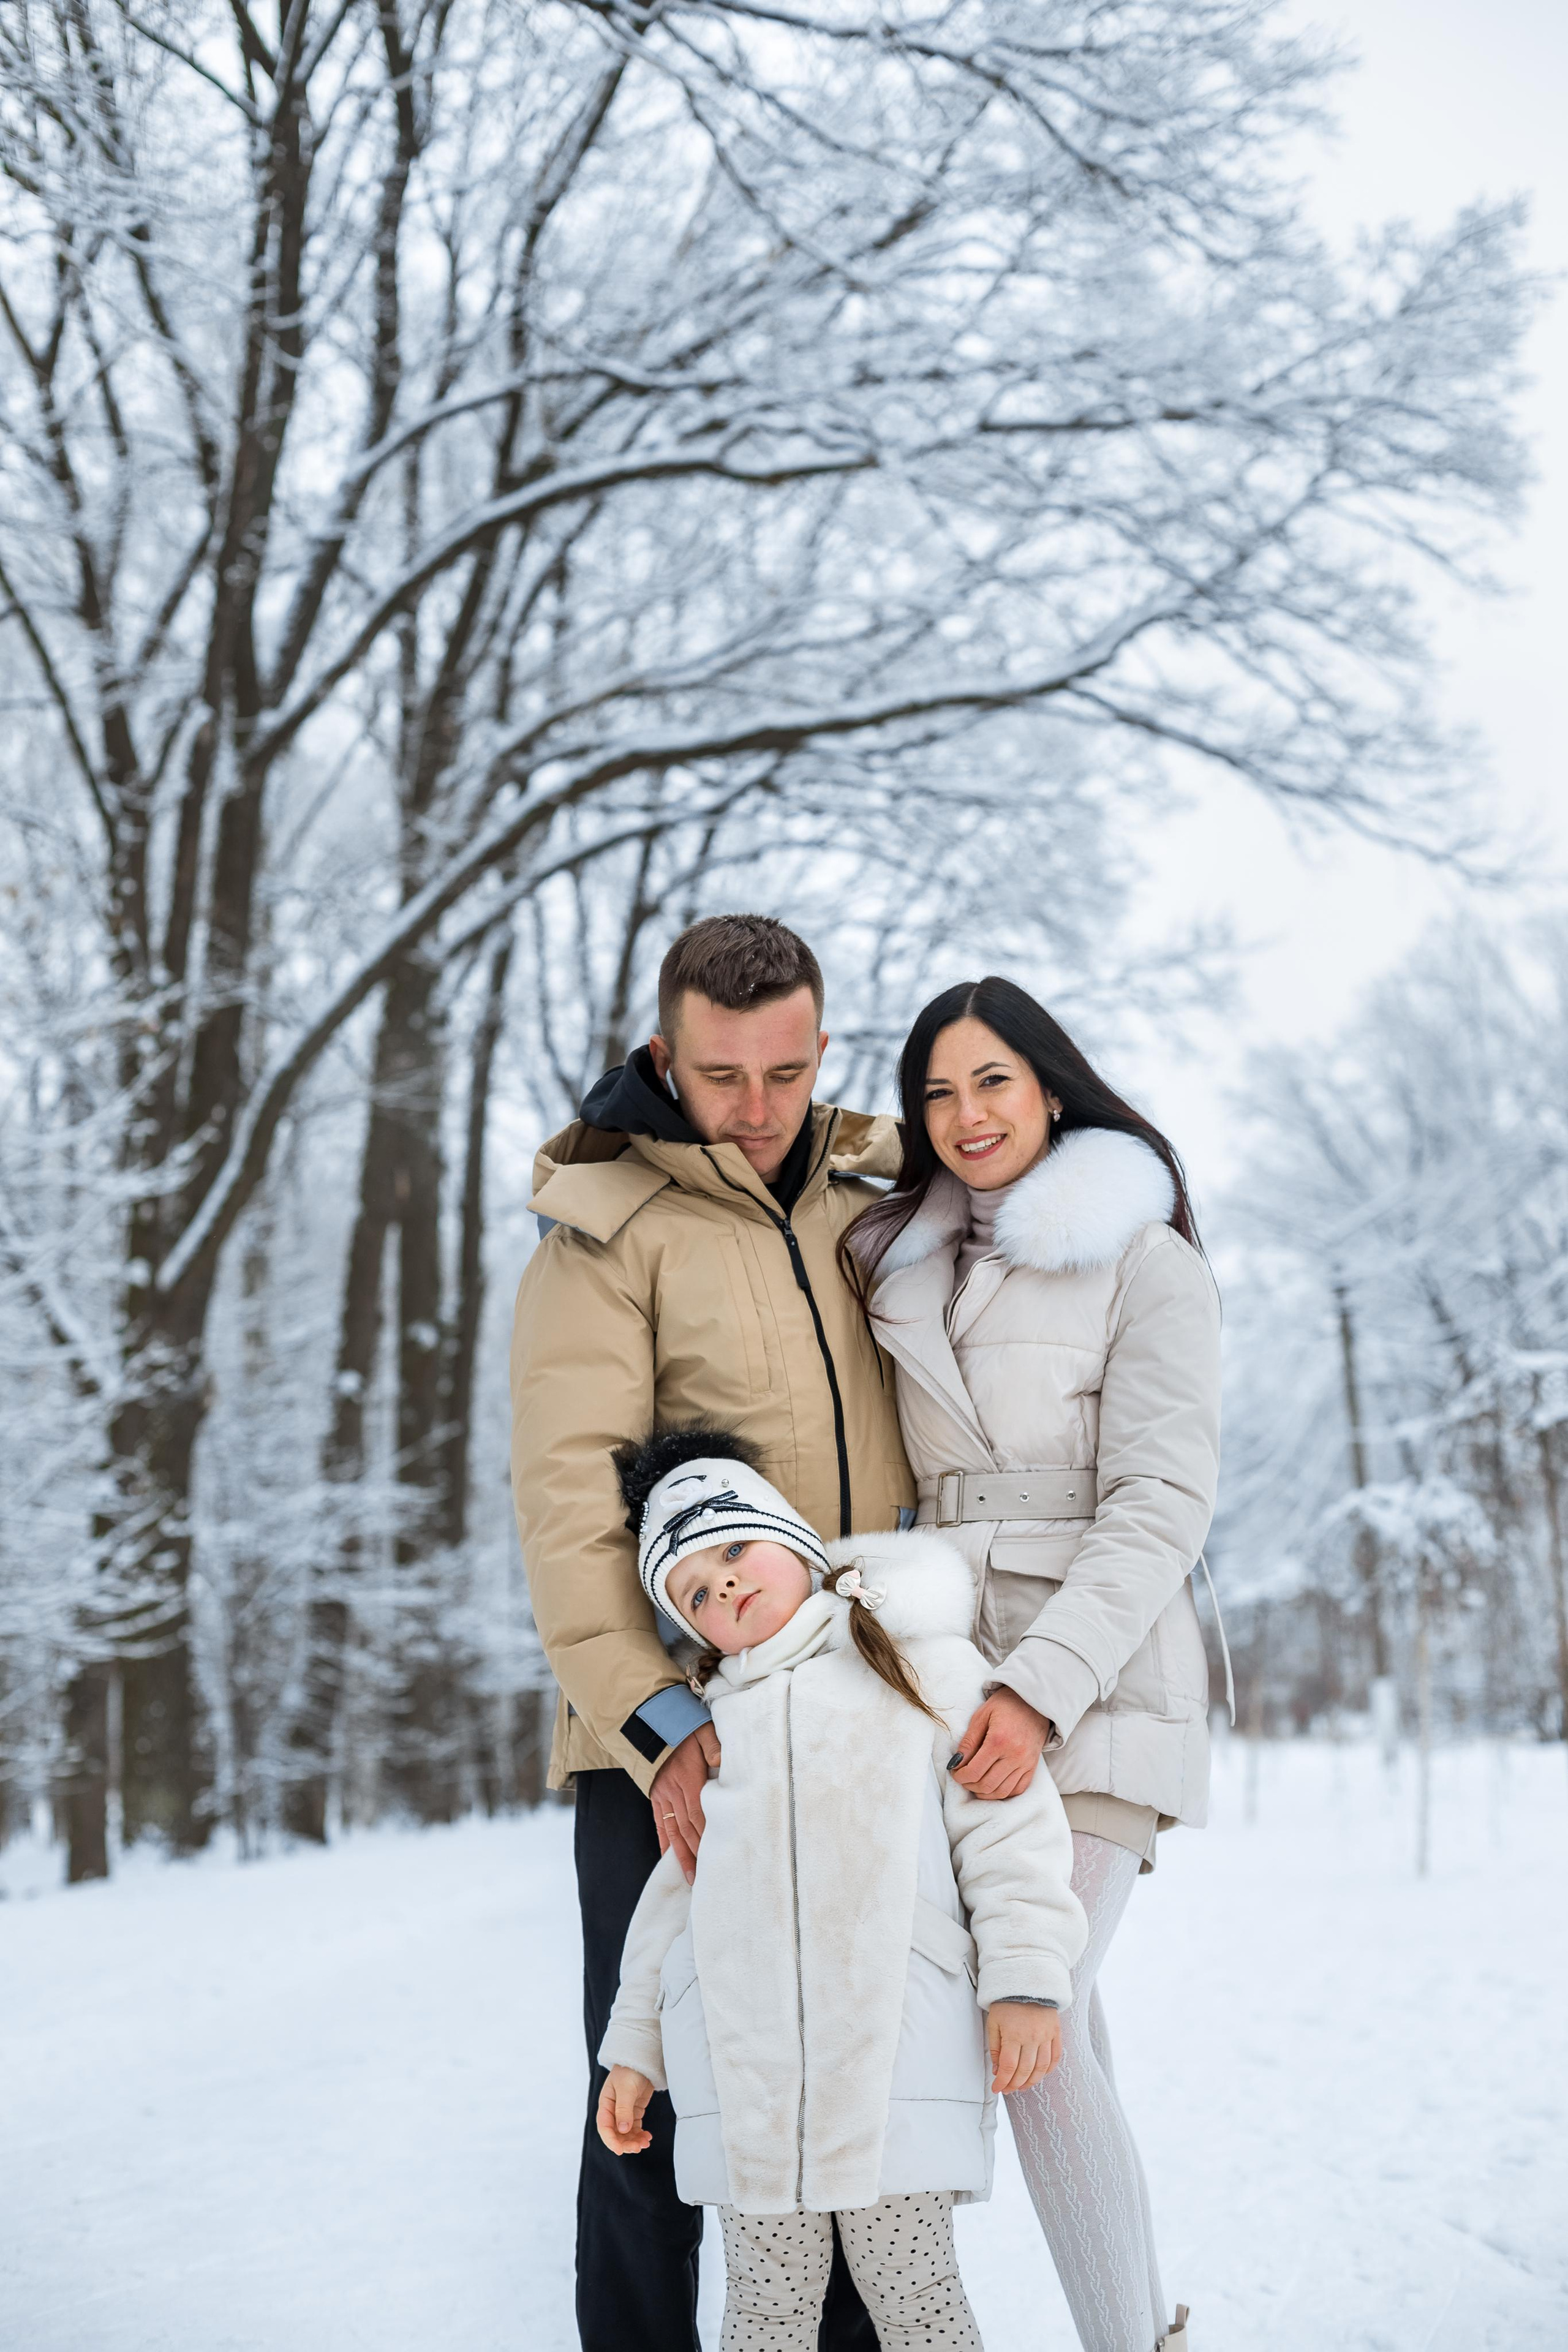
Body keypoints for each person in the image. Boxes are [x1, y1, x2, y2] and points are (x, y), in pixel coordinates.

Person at [509, 914, 914, 2352]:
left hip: (857, 1730)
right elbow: (569, 1514)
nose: (753, 1112)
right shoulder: (605, 1228)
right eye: (720, 1076)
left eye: (785, 1075)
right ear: (661, 1051)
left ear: (822, 1052)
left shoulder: (875, 1198)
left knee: (855, 2091)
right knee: (653, 2097)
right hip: (667, 1737)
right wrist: (661, 1727)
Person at [845, 976, 1220, 2352]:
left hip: (1099, 1676)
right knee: (1060, 2036)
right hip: (948, 1673)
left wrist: (1039, 1685)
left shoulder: (1144, 1258)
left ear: (1050, 1085)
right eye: (935, 1092)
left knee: (1031, 2013)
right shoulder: (901, 1264)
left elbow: (1160, 1506)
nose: (964, 1115)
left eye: (991, 1081)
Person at [594, 1428, 1087, 2352]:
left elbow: (1009, 1834)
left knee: (915, 2296)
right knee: (767, 2311)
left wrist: (1024, 1981)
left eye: (735, 1549)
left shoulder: (920, 1669)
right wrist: (635, 2051)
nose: (728, 1584)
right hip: (747, 2085)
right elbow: (670, 1910)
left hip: (892, 2061)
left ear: (797, 1543)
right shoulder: (714, 1734)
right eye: (698, 1590)